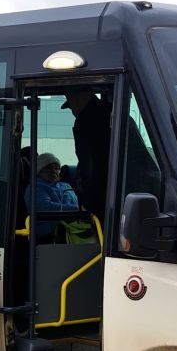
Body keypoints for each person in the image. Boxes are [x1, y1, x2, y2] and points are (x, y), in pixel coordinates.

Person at [63, 88, 110, 217]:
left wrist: (89, 205)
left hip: (102, 200)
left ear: (77, 98)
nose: (73, 112)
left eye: (71, 106)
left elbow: (89, 169)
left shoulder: (84, 122)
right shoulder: (113, 111)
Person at [25, 152, 79, 238]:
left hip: (71, 229)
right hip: (47, 234)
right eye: (48, 168)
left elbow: (74, 204)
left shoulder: (65, 185)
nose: (54, 171)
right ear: (39, 171)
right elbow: (43, 207)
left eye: (57, 168)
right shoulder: (35, 186)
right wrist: (72, 210)